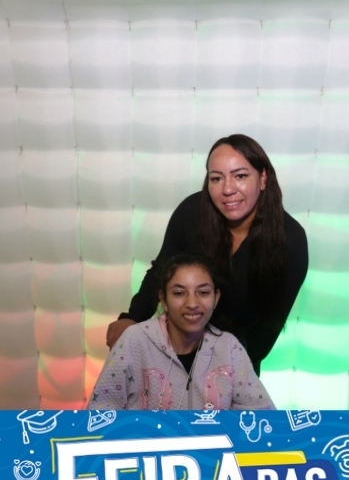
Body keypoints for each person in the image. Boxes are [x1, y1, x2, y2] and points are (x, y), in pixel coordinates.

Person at [105, 136, 309, 375]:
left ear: (263, 178)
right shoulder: (191, 213)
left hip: (237, 362)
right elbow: (162, 271)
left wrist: (221, 367)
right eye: (217, 178)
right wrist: (133, 318)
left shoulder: (290, 240)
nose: (228, 189)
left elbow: (266, 330)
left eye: (240, 176)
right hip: (175, 348)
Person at [89, 255, 275, 412]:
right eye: (179, 293)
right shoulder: (133, 340)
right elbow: (99, 413)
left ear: (216, 298)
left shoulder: (229, 348)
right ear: (164, 300)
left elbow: (262, 415)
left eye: (203, 292)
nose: (192, 303)